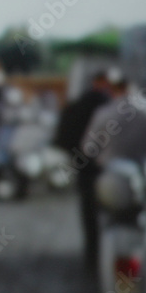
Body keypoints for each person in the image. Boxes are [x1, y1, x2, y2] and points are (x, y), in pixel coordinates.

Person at [54, 70, 111, 271]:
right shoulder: (112, 106)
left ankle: (92, 256)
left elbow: (63, 137)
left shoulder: (78, 104)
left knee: (89, 213)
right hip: (109, 167)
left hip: (85, 166)